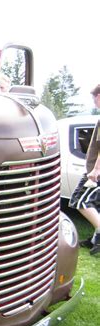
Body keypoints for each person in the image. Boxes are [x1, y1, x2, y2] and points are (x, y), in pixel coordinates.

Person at [69, 84, 100, 255]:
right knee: (96, 205)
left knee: (79, 201)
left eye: (93, 98)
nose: (94, 102)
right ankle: (95, 240)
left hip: (96, 173)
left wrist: (95, 170)